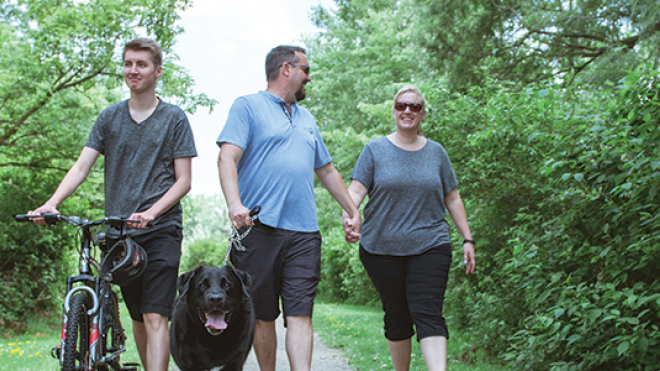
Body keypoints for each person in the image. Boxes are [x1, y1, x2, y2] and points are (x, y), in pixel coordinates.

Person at [27, 38, 197, 371]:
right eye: (128, 63)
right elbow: (81, 166)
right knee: (137, 314)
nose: (133, 70)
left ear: (157, 71)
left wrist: (150, 213)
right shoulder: (109, 118)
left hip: (161, 228)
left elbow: (184, 181)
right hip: (120, 233)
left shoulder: (174, 119)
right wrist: (52, 202)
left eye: (141, 64)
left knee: (155, 313)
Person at [216, 45, 361, 371]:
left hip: (304, 233)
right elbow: (227, 156)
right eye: (305, 70)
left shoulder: (307, 118)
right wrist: (234, 203)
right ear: (286, 69)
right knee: (262, 315)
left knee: (300, 313)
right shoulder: (248, 107)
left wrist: (352, 210)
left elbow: (325, 169)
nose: (309, 77)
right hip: (259, 230)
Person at [342, 85, 476, 371]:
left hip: (431, 244)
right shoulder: (375, 150)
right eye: (401, 105)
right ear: (394, 111)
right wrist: (350, 215)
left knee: (428, 311)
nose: (407, 111)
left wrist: (468, 238)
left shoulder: (437, 153)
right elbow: (355, 192)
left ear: (423, 114)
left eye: (414, 107)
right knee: (397, 316)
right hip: (380, 248)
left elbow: (452, 197)